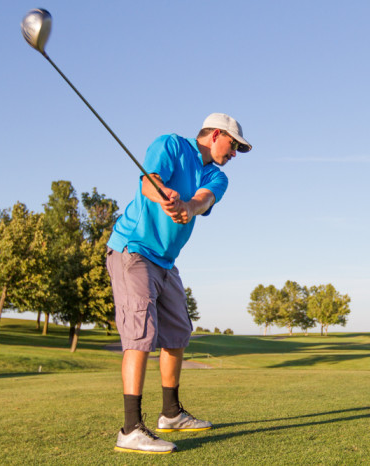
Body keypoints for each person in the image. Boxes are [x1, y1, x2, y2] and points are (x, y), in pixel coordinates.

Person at [106, 113, 252, 454]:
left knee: (177, 332)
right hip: (134, 250)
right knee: (140, 333)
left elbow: (204, 199)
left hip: (165, 262)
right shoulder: (171, 144)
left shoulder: (217, 175)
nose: (234, 155)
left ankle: (170, 413)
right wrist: (164, 194)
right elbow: (148, 182)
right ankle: (130, 429)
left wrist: (186, 206)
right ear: (216, 134)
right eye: (233, 146)